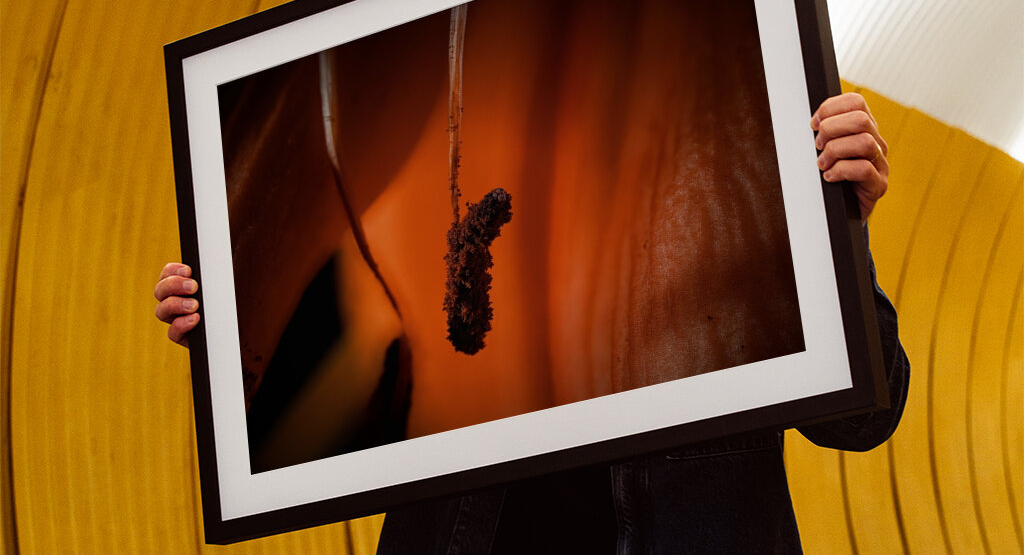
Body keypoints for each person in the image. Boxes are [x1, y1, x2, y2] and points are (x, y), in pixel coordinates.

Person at [154, 92, 908, 553]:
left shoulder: (732, 230)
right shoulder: (453, 244)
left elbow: (865, 417)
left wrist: (834, 226)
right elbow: (352, 397)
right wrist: (236, 323)